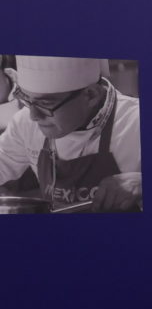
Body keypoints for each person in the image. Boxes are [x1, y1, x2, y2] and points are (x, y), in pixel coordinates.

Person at [0, 55, 142, 211]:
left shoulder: (137, 122)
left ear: (91, 95)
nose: (34, 116)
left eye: (45, 103)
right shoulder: (25, 123)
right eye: (27, 99)